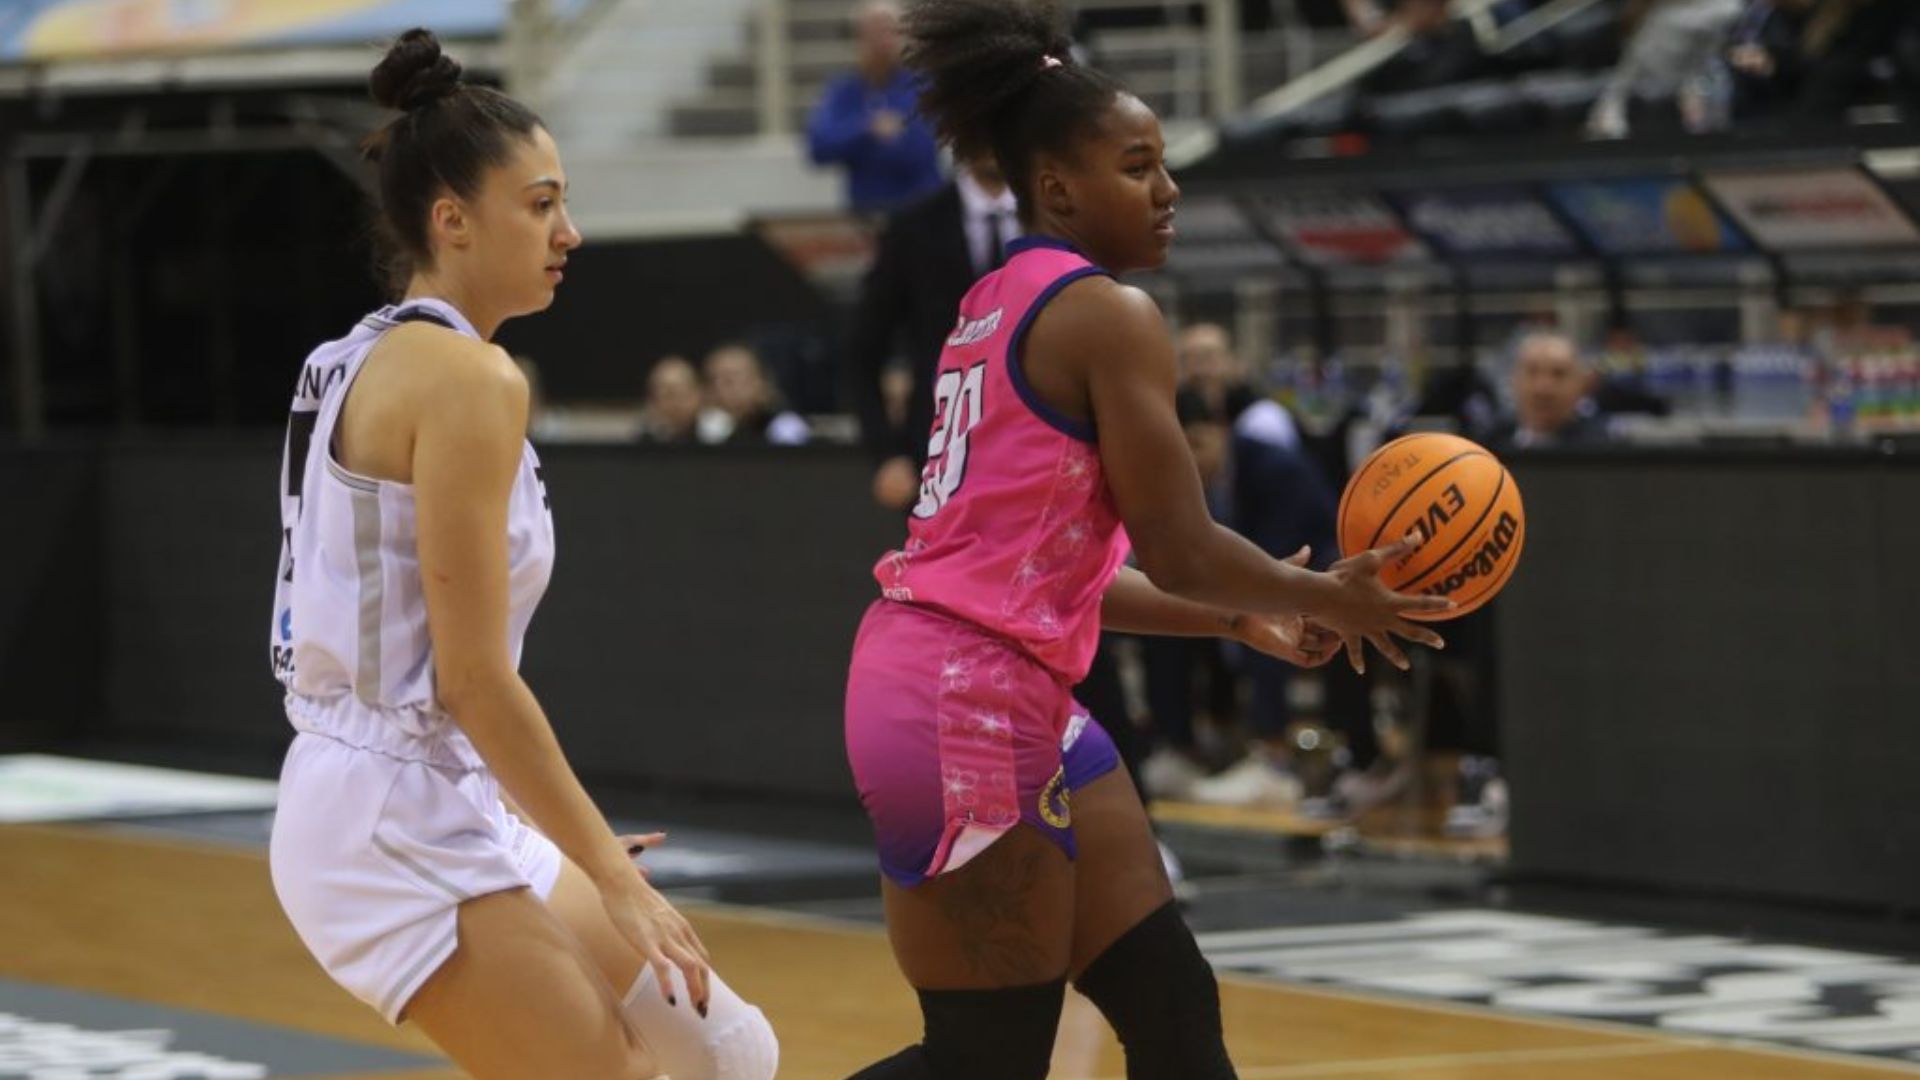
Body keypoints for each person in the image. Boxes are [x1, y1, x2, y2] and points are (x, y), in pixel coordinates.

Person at [841, 4, 1449, 1078]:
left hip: (989, 676)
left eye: (1164, 163)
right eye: (1136, 167)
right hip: (964, 698)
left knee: (1171, 1005)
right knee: (986, 1061)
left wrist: (1243, 618)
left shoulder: (991, 302)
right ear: (1058, 188)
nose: (1167, 190)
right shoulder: (1106, 314)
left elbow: (1053, 573)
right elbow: (1180, 547)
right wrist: (1329, 596)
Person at [266, 30, 777, 1080]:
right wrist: (606, 874)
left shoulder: (349, 355)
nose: (569, 232)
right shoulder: (469, 379)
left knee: (730, 1052)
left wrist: (544, 827)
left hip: (435, 784)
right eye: (540, 205)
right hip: (387, 807)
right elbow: (470, 678)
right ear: (451, 220)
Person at [848, 153, 1021, 510]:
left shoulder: (1060, 218)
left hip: (1038, 447)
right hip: (937, 453)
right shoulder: (912, 225)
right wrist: (886, 453)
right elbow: (863, 348)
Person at [805, 1, 945, 214]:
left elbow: (922, 150)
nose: (883, 42)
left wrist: (859, 148)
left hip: (921, 211)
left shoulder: (922, 87)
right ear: (857, 38)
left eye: (890, 31)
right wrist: (867, 130)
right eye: (873, 32)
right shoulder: (843, 91)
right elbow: (819, 147)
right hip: (866, 213)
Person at [1485, 330, 1609, 451]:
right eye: (1532, 372)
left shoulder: (1602, 449)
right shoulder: (1488, 445)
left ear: (1581, 384)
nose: (1543, 388)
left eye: (1558, 374)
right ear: (1514, 380)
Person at [697, 343, 810, 446]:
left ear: (760, 382)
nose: (718, 388)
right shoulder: (699, 428)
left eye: (729, 380)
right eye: (711, 381)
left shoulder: (784, 428)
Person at [640, 356, 705, 445]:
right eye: (667, 395)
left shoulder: (716, 436)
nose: (676, 403)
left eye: (681, 393)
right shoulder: (644, 440)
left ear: (699, 394)